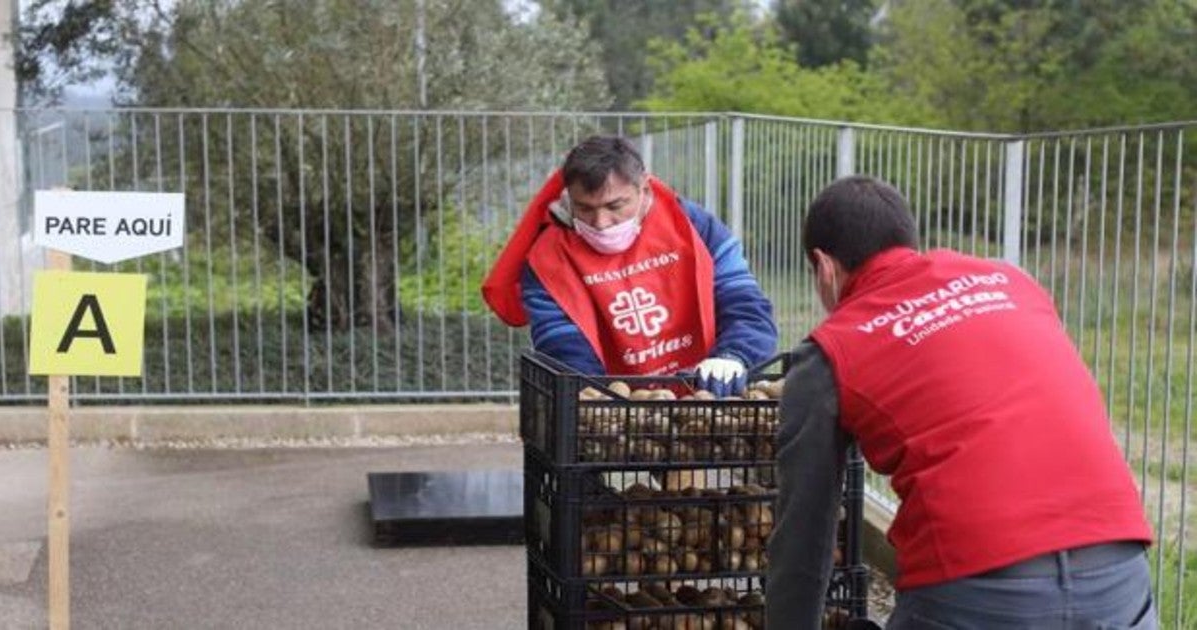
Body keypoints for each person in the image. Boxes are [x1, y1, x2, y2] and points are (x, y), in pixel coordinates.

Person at [767, 176, 1155, 629]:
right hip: (1120, 571)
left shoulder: (830, 353)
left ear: (824, 267)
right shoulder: (1012, 282)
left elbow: (803, 540)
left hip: (980, 590)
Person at [482, 135, 777, 394]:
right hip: (618, 413)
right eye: (584, 208)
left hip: (708, 394)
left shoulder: (695, 227)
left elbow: (743, 301)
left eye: (615, 206)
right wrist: (599, 403)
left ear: (644, 189)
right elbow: (562, 345)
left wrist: (734, 355)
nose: (600, 223)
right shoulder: (547, 260)